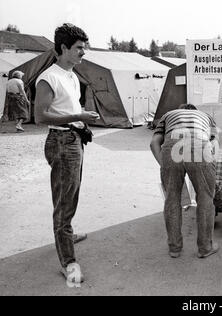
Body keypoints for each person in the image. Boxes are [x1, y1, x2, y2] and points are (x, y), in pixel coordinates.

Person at [34, 24, 99, 284]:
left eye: (84, 47)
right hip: (61, 142)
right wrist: (77, 117)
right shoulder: (48, 77)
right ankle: (68, 262)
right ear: (63, 49)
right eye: (79, 48)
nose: (84, 52)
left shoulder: (71, 75)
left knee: (70, 196)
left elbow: (66, 107)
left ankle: (66, 235)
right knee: (63, 203)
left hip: (73, 138)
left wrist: (80, 121)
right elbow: (40, 116)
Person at [151, 104, 219, 259]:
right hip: (200, 145)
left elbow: (153, 142)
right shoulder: (206, 116)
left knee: (172, 199)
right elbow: (214, 143)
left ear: (181, 110)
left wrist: (165, 165)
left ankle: (174, 249)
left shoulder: (168, 114)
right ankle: (205, 248)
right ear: (195, 112)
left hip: (172, 147)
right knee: (205, 199)